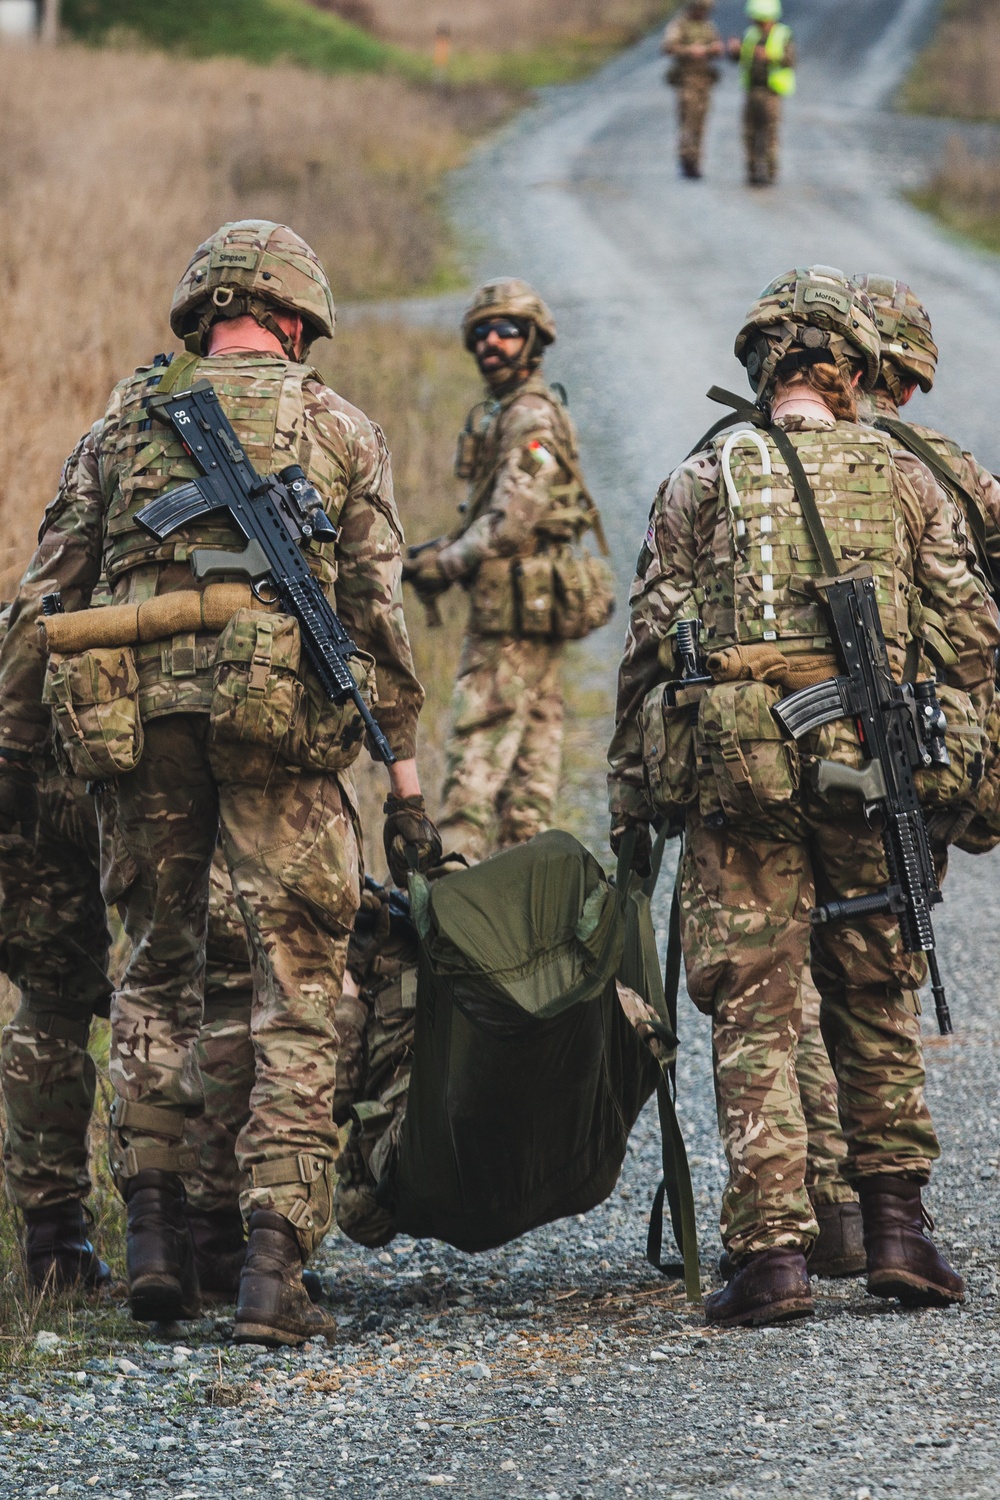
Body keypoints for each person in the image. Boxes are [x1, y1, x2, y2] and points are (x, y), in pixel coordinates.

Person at [0, 220, 437, 1346]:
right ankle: (268, 1270)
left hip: (138, 737)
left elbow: (45, 600)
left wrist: (11, 754)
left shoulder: (119, 428)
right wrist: (403, 766)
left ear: (204, 315)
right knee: (296, 985)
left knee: (153, 973)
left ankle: (148, 1240)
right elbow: (376, 615)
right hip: (280, 738)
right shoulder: (339, 427)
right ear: (296, 319)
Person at [608, 264, 999, 1327]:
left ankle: (772, 1258)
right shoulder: (905, 477)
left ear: (762, 361)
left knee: (754, 1005)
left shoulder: (704, 477)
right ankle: (899, 1233)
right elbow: (970, 641)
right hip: (874, 772)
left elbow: (649, 648)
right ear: (850, 366)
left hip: (739, 782)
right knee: (876, 992)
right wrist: (970, 779)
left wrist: (630, 797)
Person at [404, 279, 610, 863]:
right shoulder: (513, 413)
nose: (492, 342)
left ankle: (454, 896)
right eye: (482, 333)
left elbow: (512, 524)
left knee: (475, 775)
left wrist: (444, 563)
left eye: (507, 331)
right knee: (529, 780)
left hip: (511, 620)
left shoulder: (530, 420)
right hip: (529, 611)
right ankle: (522, 913)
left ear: (534, 341)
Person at [730, 0, 796, 187]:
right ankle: (752, 170)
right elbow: (742, 60)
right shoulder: (750, 35)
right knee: (749, 132)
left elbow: (791, 60)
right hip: (752, 90)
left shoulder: (782, 34)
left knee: (769, 132)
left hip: (771, 92)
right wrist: (735, 51)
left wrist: (770, 56)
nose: (758, 23)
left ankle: (769, 172)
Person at [661, 0, 724, 180]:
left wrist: (714, 49)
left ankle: (696, 160)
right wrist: (689, 50)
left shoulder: (708, 26)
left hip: (704, 80)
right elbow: (668, 47)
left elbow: (717, 46)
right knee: (687, 120)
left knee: (700, 122)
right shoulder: (679, 25)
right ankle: (686, 159)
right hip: (686, 79)